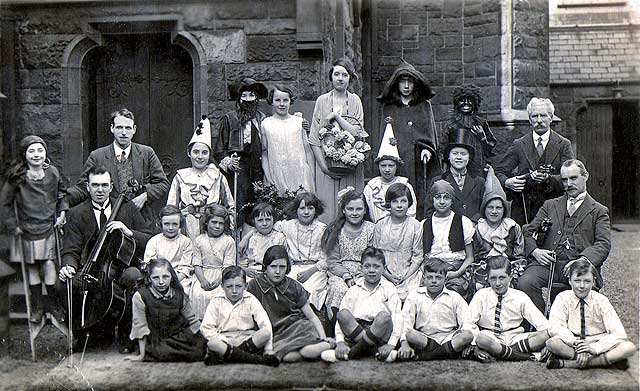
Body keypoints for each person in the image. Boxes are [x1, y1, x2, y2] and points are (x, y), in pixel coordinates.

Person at [58, 166, 152, 350]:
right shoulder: (77, 213)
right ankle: (82, 333)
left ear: (110, 187)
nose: (100, 190)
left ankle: (128, 337)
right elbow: (71, 249)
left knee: (133, 277)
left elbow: (149, 236)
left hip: (121, 268)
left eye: (104, 185)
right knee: (68, 284)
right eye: (95, 185)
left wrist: (128, 231)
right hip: (90, 268)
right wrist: (68, 266)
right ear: (88, 187)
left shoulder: (127, 208)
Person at [518, 159, 611, 313]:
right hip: (549, 265)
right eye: (564, 180)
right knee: (525, 282)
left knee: (578, 302)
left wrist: (582, 260)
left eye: (573, 178)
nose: (568, 184)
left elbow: (603, 244)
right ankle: (540, 322)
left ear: (585, 176)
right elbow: (528, 231)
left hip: (579, 265)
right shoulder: (550, 205)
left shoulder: (599, 211)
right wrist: (535, 251)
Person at [0, 135, 68, 322]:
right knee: (31, 267)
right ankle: (37, 306)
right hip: (27, 229)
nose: (36, 155)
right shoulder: (18, 177)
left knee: (48, 265)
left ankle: (53, 305)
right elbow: (5, 203)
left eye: (40, 150)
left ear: (45, 152)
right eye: (31, 151)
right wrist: (13, 226)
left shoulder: (53, 172)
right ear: (25, 154)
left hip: (48, 227)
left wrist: (62, 213)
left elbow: (62, 193)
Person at [67, 108, 169, 229]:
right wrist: (61, 198)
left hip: (140, 220)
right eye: (119, 127)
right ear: (112, 128)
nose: (124, 132)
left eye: (128, 128)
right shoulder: (97, 156)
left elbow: (162, 184)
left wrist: (145, 196)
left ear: (134, 130)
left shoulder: (147, 153)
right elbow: (83, 187)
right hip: (109, 220)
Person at [376, 59, 440, 218]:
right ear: (396, 84)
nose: (406, 86)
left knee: (419, 193)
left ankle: (418, 222)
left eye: (410, 82)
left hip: (418, 161)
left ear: (415, 84)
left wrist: (427, 148)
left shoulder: (424, 106)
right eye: (402, 82)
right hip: (397, 159)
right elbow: (384, 136)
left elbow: (429, 133)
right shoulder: (389, 107)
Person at [247, 245, 334, 362]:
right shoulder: (255, 285)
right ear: (265, 267)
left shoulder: (293, 286)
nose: (278, 271)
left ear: (287, 267)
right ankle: (321, 350)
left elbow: (312, 316)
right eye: (273, 266)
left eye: (282, 267)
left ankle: (329, 344)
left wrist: (323, 338)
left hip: (298, 328)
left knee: (308, 351)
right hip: (276, 333)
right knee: (289, 357)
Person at [495, 97, 574, 226]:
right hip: (524, 212)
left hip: (554, 210)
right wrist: (507, 182)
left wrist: (549, 180)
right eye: (534, 116)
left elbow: (570, 177)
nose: (539, 120)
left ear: (551, 117)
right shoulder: (519, 144)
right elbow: (499, 172)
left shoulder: (563, 144)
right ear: (529, 119)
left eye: (543, 115)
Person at [545, 258, 636, 370]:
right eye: (577, 281)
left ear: (594, 281)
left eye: (587, 281)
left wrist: (594, 348)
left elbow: (619, 333)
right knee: (552, 343)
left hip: (598, 341)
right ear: (570, 281)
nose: (582, 286)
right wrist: (577, 344)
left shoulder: (601, 300)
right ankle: (604, 361)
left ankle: (571, 364)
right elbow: (556, 327)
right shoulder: (562, 298)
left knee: (628, 347)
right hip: (574, 341)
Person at [308, 57, 367, 224]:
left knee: (351, 206)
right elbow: (314, 139)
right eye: (337, 74)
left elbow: (357, 132)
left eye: (345, 75)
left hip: (350, 166)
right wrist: (325, 169)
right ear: (331, 77)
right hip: (326, 165)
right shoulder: (322, 101)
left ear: (350, 78)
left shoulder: (355, 101)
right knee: (327, 210)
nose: (340, 78)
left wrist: (336, 117)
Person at [321, 247, 403, 363]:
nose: (371, 270)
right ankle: (375, 352)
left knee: (383, 316)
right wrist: (340, 342)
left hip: (380, 331)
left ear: (384, 269)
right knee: (342, 314)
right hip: (357, 330)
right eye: (367, 266)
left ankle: (352, 353)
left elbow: (397, 317)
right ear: (361, 268)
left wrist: (391, 344)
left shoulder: (389, 288)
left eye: (376, 266)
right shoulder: (354, 289)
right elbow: (341, 319)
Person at [468, 256, 551, 362]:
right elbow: (469, 323)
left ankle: (501, 353)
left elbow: (542, 323)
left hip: (514, 337)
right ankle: (527, 356)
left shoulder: (520, 297)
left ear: (510, 277)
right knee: (481, 339)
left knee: (545, 335)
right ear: (487, 278)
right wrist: (475, 346)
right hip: (490, 337)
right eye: (493, 278)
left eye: (502, 278)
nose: (497, 283)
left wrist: (546, 342)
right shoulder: (481, 296)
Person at [167, 116, 235, 241]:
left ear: (209, 155)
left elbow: (230, 206)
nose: (200, 156)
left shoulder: (218, 177)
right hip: (186, 229)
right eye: (196, 152)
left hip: (212, 230)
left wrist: (229, 229)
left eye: (204, 153)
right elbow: (171, 208)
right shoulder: (180, 177)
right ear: (189, 153)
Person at [126, 258, 207, 362]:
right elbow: (140, 326)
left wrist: (203, 339)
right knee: (160, 352)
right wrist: (142, 355)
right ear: (149, 278)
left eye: (165, 277)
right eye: (155, 278)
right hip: (156, 339)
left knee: (203, 349)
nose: (161, 282)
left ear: (172, 277)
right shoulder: (140, 296)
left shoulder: (179, 295)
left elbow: (193, 320)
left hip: (178, 337)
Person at [213, 78, 268, 228]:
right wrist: (229, 163)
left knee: (258, 203)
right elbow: (218, 150)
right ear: (239, 98)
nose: (248, 99)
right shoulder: (229, 119)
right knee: (238, 204)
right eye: (244, 96)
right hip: (238, 170)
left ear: (256, 97)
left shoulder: (262, 119)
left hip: (258, 167)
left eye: (251, 95)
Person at [396, 258, 474, 362]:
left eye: (438, 277)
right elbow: (406, 321)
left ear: (445, 279)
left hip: (449, 338)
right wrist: (404, 344)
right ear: (424, 278)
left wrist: (467, 343)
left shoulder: (454, 297)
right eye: (430, 277)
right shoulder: (415, 295)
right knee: (410, 334)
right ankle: (448, 353)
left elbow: (467, 321)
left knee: (468, 335)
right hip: (424, 339)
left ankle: (424, 357)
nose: (433, 281)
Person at [200, 266, 279, 366]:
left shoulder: (251, 299)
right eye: (229, 286)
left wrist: (268, 349)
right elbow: (205, 328)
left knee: (265, 333)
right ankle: (257, 360)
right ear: (222, 286)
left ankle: (229, 355)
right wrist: (225, 340)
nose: (234, 290)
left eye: (238, 286)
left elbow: (265, 324)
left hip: (246, 338)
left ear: (245, 286)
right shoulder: (216, 301)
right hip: (225, 339)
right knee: (213, 343)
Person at [414, 180, 474, 299]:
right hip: (431, 271)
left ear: (452, 200)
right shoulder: (424, 224)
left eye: (446, 198)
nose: (442, 201)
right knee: (421, 296)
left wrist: (456, 273)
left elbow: (470, 257)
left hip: (455, 270)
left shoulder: (463, 222)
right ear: (433, 200)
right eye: (438, 197)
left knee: (451, 296)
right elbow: (421, 256)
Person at [321, 188, 375, 318]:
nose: (355, 213)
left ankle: (360, 327)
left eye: (359, 209)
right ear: (344, 210)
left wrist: (363, 273)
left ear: (365, 210)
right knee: (340, 290)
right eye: (350, 209)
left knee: (362, 290)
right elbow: (333, 261)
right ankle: (335, 327)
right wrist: (346, 276)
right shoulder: (336, 230)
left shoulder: (371, 229)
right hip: (341, 272)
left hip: (364, 271)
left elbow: (373, 257)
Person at [471, 168, 526, 291]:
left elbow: (520, 258)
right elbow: (473, 258)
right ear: (484, 209)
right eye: (490, 207)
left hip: (508, 273)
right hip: (483, 274)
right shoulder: (477, 229)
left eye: (498, 208)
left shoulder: (512, 227)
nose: (494, 211)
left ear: (504, 210)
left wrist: (512, 274)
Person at [274, 192, 328, 311]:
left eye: (310, 208)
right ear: (296, 210)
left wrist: (310, 272)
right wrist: (247, 237)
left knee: (309, 292)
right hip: (294, 268)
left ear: (316, 210)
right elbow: (267, 227)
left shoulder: (322, 229)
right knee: (286, 291)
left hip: (315, 270)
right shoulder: (288, 225)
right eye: (302, 208)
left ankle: (308, 320)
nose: (306, 212)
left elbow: (327, 258)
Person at [373, 183, 423, 301]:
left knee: (412, 295)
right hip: (385, 272)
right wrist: (388, 275)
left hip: (409, 272)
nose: (399, 206)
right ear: (389, 203)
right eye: (395, 201)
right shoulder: (380, 225)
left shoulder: (416, 225)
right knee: (382, 295)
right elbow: (376, 255)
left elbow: (418, 256)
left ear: (409, 203)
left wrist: (406, 276)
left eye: (403, 201)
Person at [260, 85, 315, 194]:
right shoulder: (266, 124)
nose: (281, 104)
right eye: (277, 100)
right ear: (272, 101)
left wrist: (311, 175)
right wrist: (268, 176)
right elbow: (264, 153)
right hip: (277, 173)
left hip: (299, 173)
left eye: (285, 100)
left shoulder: (299, 122)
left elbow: (307, 150)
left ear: (290, 101)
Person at [186, 204, 236, 320]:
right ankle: (201, 323)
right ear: (207, 222)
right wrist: (202, 280)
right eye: (214, 222)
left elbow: (228, 266)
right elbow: (197, 263)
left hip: (222, 275)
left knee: (220, 294)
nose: (217, 226)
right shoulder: (199, 240)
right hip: (202, 274)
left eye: (221, 223)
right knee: (199, 293)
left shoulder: (229, 241)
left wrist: (219, 280)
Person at [425, 128, 485, 223]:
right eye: (455, 153)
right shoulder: (438, 181)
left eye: (463, 154)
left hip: (474, 230)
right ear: (448, 157)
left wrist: (474, 222)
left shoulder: (479, 182)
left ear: (469, 158)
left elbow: (484, 208)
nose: (459, 157)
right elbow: (429, 211)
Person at [364, 122, 417, 222]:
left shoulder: (405, 185)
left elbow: (412, 211)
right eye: (383, 166)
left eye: (391, 166)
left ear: (396, 166)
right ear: (378, 166)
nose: (387, 169)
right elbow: (367, 212)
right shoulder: (371, 188)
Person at [444, 85, 497, 178]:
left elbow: (490, 150)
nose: (466, 103)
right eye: (462, 100)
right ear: (457, 103)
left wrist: (483, 138)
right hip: (456, 169)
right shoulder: (451, 124)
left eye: (470, 100)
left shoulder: (481, 123)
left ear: (475, 103)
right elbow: (443, 150)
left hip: (478, 167)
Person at [142, 205, 193, 284]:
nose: (170, 228)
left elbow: (185, 267)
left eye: (175, 224)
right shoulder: (154, 241)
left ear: (180, 224)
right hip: (157, 278)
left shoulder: (186, 242)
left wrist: (174, 282)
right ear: (161, 223)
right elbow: (150, 265)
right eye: (166, 224)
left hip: (179, 279)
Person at [238, 202, 287, 279]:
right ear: (254, 221)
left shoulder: (280, 238)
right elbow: (242, 263)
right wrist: (246, 270)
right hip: (253, 274)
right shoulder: (251, 238)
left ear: (274, 220)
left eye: (268, 220)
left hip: (274, 273)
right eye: (260, 220)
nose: (264, 223)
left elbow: (285, 261)